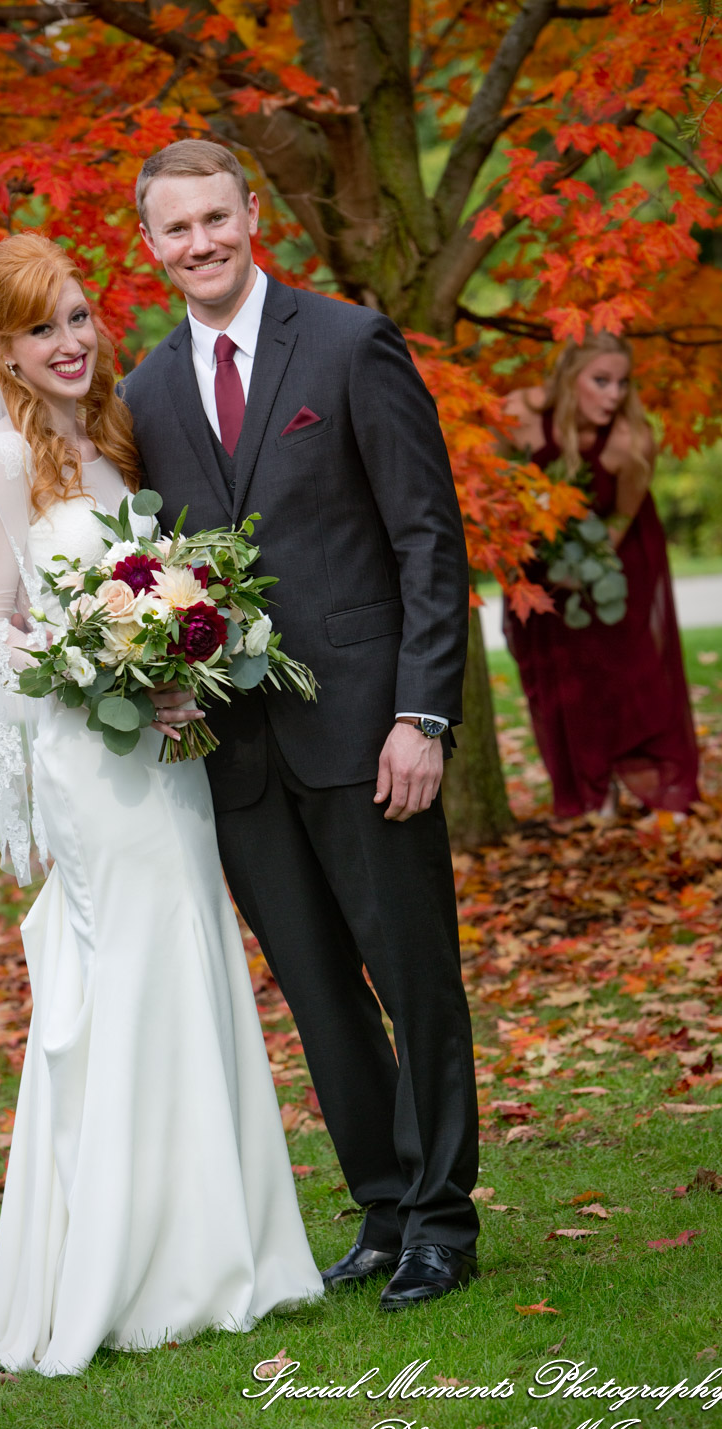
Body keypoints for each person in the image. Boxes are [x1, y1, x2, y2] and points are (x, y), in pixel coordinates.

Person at [0, 233, 322, 1376]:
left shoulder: (111, 438)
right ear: (2, 350)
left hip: (168, 760)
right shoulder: (5, 464)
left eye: (78, 317)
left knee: (190, 960)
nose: (70, 342)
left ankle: (222, 1246)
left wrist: (173, 654)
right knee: (124, 979)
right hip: (90, 765)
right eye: (43, 328)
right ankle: (124, 1263)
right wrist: (91, 667)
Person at [123, 140, 479, 1310]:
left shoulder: (347, 343)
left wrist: (423, 715)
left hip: (373, 732)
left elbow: (429, 539)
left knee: (411, 974)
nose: (200, 244)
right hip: (240, 755)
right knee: (321, 996)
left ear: (249, 215)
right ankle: (381, 1204)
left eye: (214, 218)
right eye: (175, 230)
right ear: (151, 245)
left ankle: (442, 1220)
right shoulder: (145, 393)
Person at [503, 331, 700, 819]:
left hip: (617, 562)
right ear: (570, 376)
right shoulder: (517, 415)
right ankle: (592, 793)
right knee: (563, 678)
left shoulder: (632, 443)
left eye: (623, 383)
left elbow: (621, 520)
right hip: (538, 568)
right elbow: (488, 486)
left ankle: (659, 786)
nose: (615, 395)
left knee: (629, 672)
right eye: (602, 380)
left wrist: (583, 567)